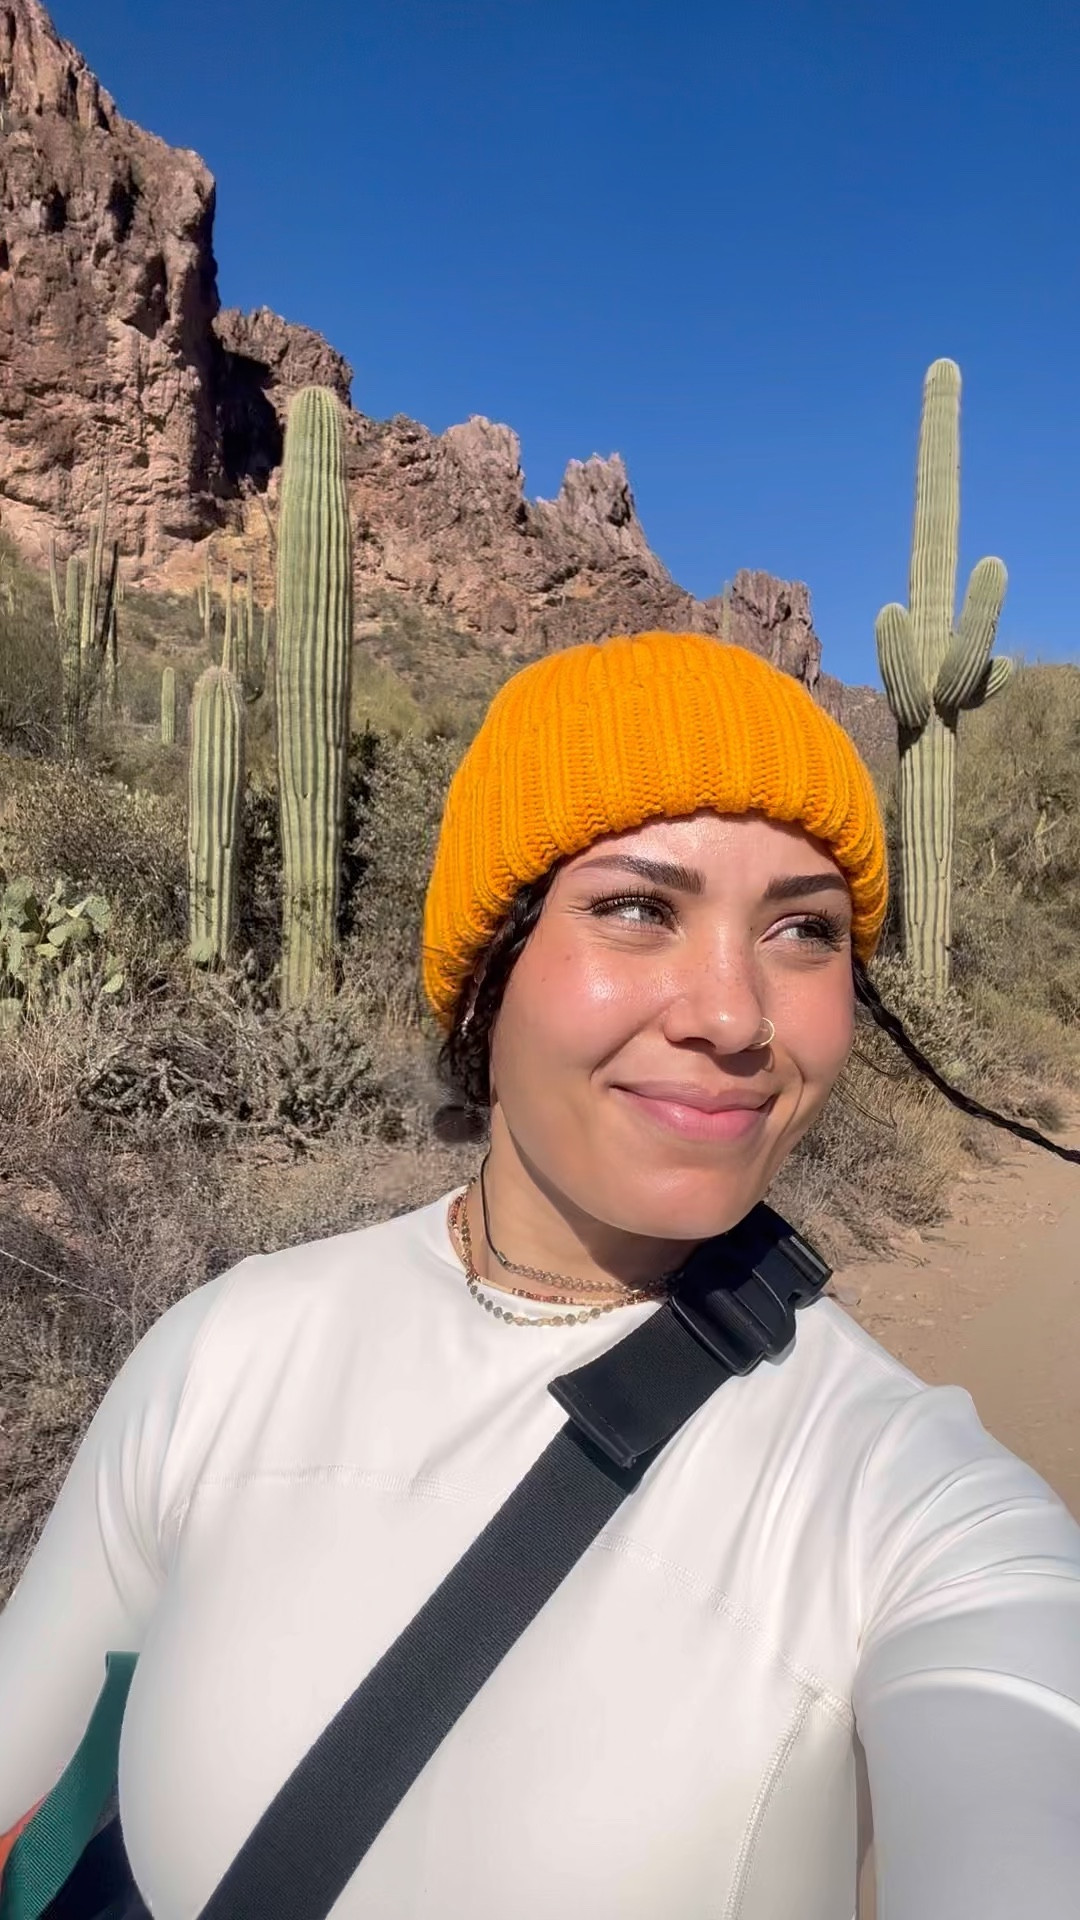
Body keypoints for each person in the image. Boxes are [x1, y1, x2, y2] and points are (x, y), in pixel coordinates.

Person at [2, 630, 1079, 1919]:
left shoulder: (908, 1495)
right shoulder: (226, 1353)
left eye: (804, 929)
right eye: (637, 908)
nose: (733, 1015)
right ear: (487, 972)